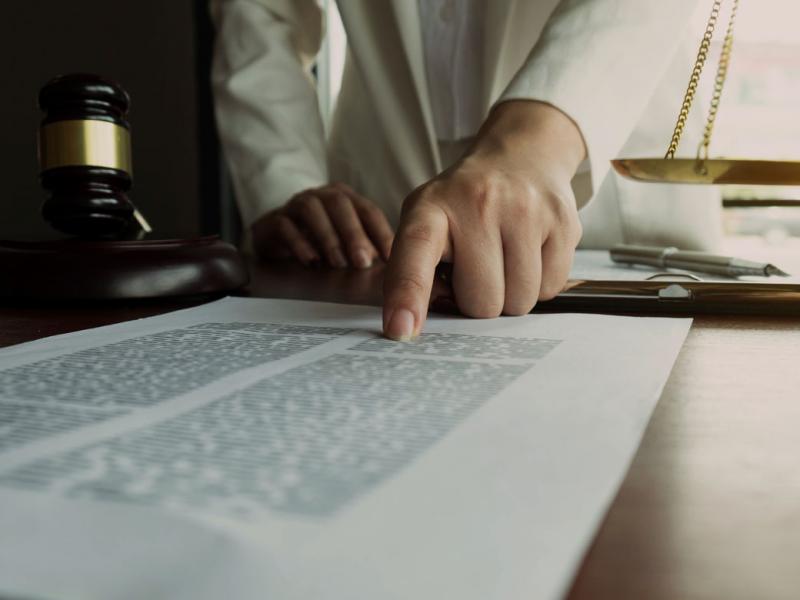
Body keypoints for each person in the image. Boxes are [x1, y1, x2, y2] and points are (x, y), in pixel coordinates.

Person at [211, 0, 721, 340]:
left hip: (612, 186)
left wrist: (532, 143)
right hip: (376, 227)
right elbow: (260, 13)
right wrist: (288, 182)